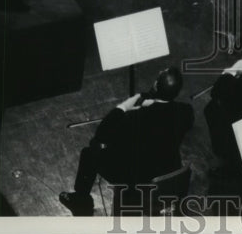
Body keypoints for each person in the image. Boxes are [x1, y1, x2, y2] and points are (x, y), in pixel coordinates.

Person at [59, 66, 194, 217]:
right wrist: (152, 101)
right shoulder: (186, 112)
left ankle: (81, 202)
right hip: (167, 172)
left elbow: (101, 135)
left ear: (156, 85)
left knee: (90, 153)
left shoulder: (134, 119)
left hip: (136, 181)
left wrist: (124, 106)